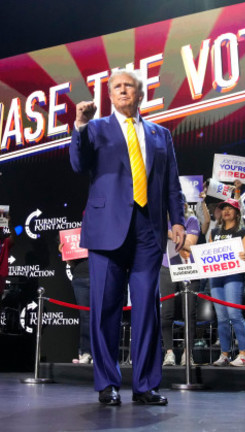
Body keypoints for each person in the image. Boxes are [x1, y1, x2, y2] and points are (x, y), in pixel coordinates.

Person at [70, 69, 185, 406]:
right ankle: (107, 383)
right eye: (116, 86)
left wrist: (177, 221)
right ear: (109, 94)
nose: (122, 90)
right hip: (107, 228)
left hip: (148, 229)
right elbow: (78, 164)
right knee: (106, 307)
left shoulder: (161, 134)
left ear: (140, 94)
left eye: (128, 86)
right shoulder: (95, 127)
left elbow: (172, 184)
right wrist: (79, 126)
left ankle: (146, 384)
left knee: (147, 308)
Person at [208, 198, 245, 367]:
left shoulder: (243, 232)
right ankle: (225, 354)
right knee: (221, 317)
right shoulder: (214, 232)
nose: (226, 211)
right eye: (224, 208)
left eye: (230, 208)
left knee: (234, 314)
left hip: (233, 276)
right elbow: (209, 253)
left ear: (237, 212)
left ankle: (244, 354)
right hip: (216, 277)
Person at [161, 200, 199, 367]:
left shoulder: (191, 220)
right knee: (166, 313)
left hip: (187, 268)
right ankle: (169, 352)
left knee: (188, 313)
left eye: (181, 204)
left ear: (184, 206)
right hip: (165, 268)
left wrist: (169, 234)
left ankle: (187, 353)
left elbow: (190, 245)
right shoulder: (162, 221)